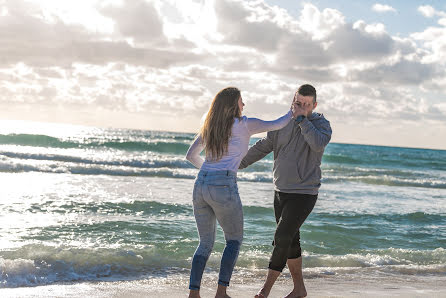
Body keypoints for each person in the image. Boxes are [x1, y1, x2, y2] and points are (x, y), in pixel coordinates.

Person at [185, 87, 301, 298]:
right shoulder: (244, 124)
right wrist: (293, 110)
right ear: (233, 105)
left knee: (204, 243)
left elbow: (191, 155)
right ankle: (221, 292)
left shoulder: (209, 126)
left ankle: (194, 294)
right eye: (241, 101)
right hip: (224, 184)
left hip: (200, 184)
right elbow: (277, 123)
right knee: (234, 240)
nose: (244, 105)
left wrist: (209, 172)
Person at [238, 84, 332, 298]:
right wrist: (236, 163)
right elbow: (263, 146)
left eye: (307, 105)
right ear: (293, 100)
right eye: (298, 103)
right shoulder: (281, 123)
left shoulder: (321, 124)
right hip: (281, 191)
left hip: (305, 193)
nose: (302, 108)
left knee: (282, 237)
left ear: (314, 105)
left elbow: (317, 144)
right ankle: (299, 289)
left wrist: (302, 120)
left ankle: (264, 291)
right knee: (291, 240)